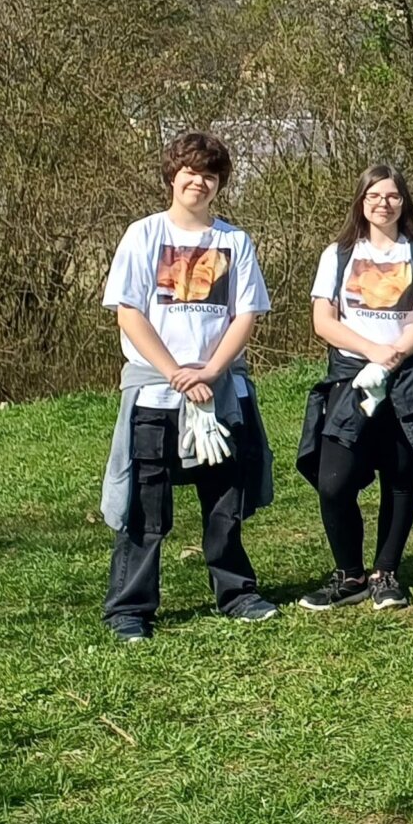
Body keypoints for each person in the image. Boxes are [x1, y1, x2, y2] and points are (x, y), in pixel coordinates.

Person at [97, 132, 278, 641]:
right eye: (190, 172)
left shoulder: (234, 242)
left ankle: (237, 593)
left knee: (224, 502)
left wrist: (211, 371)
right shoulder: (143, 235)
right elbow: (129, 312)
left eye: (210, 175)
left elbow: (246, 314)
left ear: (219, 185)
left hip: (219, 393)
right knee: (144, 508)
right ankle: (130, 609)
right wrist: (175, 371)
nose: (199, 182)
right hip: (156, 395)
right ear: (172, 177)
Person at [295, 165, 413, 613]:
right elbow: (323, 321)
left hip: (406, 377)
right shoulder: (337, 255)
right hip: (351, 377)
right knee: (333, 482)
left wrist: (393, 355)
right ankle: (348, 575)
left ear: (403, 202)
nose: (383, 203)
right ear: (361, 200)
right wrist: (372, 350)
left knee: (399, 475)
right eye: (374, 195)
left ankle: (386, 574)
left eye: (392, 196)